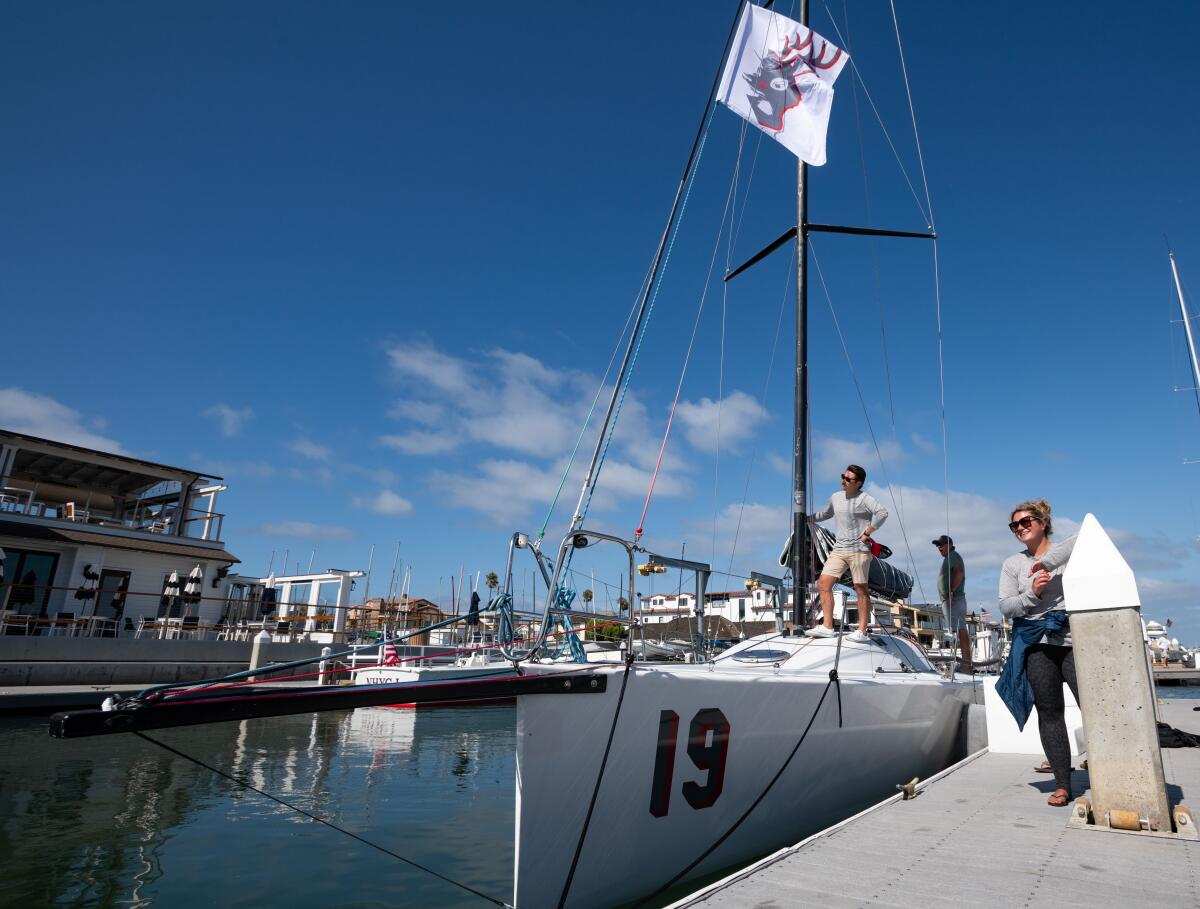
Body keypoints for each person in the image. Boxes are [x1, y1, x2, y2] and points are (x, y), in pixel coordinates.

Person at [995, 498, 1078, 807]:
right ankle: (1063, 785)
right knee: (1050, 713)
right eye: (1015, 525)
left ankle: (1108, 769)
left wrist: (1047, 563)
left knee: (1093, 708)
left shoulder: (1067, 556)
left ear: (1043, 523)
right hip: (1036, 645)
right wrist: (1033, 593)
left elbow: (1086, 534)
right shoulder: (1012, 564)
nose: (1020, 527)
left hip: (1071, 642)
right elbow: (1006, 606)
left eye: (1026, 521)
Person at [805, 464, 888, 643]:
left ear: (858, 483)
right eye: (843, 476)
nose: (843, 480)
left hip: (859, 550)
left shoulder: (865, 499)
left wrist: (867, 532)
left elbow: (882, 513)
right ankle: (827, 626)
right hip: (839, 549)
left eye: (848, 479)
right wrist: (806, 518)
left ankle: (862, 630)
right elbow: (825, 514)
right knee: (823, 583)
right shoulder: (836, 497)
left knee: (860, 589)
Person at [933, 535, 971, 673]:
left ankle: (966, 665)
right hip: (953, 599)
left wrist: (951, 591)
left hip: (954, 599)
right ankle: (966, 664)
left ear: (950, 545)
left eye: (941, 545)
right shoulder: (951, 557)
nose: (939, 548)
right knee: (959, 630)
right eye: (938, 545)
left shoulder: (952, 556)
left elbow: (959, 572)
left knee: (959, 630)